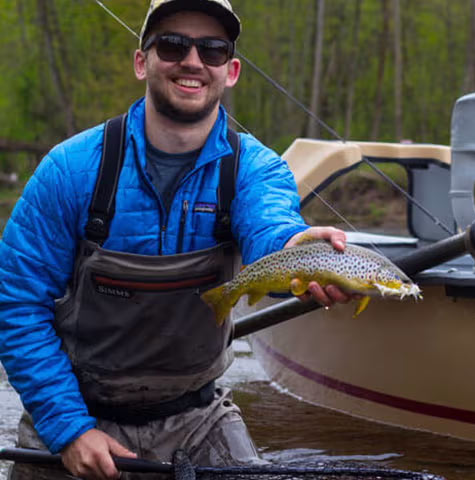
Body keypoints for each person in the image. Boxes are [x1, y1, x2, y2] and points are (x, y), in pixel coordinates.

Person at [0, 1, 352, 478]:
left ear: (230, 71)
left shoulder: (257, 168)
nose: (192, 61)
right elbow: (16, 304)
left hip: (198, 419)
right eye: (172, 44)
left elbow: (272, 230)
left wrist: (298, 251)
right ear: (142, 61)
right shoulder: (70, 170)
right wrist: (69, 430)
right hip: (75, 412)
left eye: (210, 49)